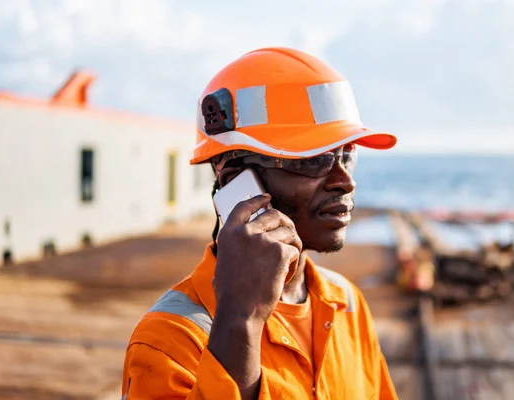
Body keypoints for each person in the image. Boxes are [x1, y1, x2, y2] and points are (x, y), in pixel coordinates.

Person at [121, 47, 399, 399]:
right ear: (238, 185)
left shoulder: (346, 303)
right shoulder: (171, 338)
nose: (345, 180)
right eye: (315, 160)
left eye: (347, 155)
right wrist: (240, 323)